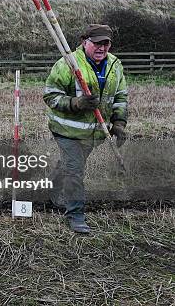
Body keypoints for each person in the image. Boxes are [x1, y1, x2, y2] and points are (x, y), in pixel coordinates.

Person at [43, 24, 128, 233]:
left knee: (71, 165)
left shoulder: (115, 65)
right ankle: (76, 214)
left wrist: (118, 123)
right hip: (67, 130)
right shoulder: (67, 63)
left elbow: (120, 96)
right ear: (84, 42)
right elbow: (51, 96)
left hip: (94, 132)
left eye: (105, 43)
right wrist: (76, 103)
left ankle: (51, 188)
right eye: (97, 43)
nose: (101, 47)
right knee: (75, 170)